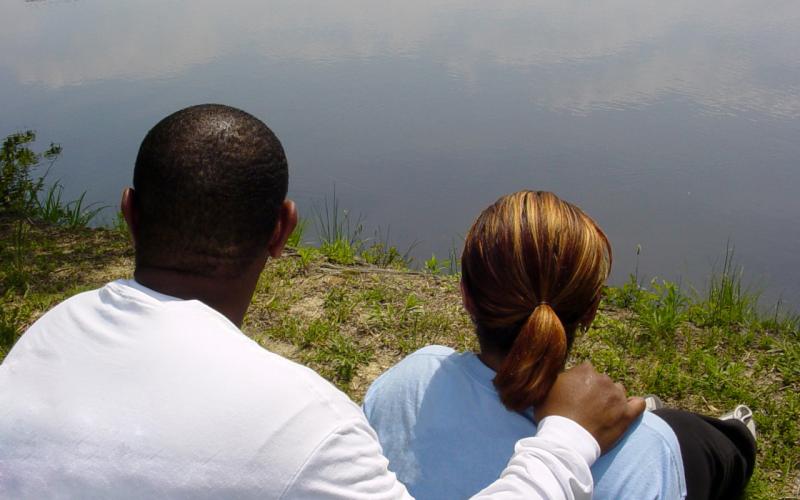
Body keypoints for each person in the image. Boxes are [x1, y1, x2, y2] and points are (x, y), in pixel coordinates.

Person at [0, 105, 644, 499]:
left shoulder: (43, 338)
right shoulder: (301, 423)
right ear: (284, 230)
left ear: (129, 214)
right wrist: (562, 442)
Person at [363, 191, 757, 500]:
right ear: (592, 310)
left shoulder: (407, 382)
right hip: (670, 446)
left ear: (466, 295)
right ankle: (739, 436)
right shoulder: (646, 453)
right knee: (697, 442)